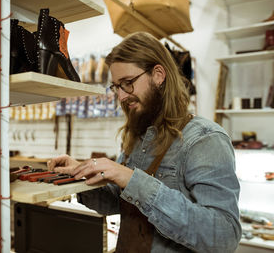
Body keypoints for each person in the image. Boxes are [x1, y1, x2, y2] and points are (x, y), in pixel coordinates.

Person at [47, 32, 241, 253]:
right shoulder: (139, 137)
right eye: (117, 87)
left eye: (127, 83)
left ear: (158, 74)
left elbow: (224, 237)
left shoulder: (205, 139)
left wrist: (132, 179)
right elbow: (117, 204)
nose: (121, 96)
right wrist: (81, 175)